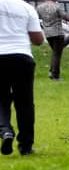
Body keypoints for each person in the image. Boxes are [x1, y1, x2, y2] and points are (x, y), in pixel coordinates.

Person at [0, 0, 44, 156]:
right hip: (22, 56)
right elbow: (38, 40)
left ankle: (5, 130)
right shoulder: (27, 8)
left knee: (1, 98)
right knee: (25, 102)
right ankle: (25, 145)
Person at [36, 0, 69, 80]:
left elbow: (36, 19)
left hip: (48, 34)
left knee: (55, 53)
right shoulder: (57, 6)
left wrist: (43, 27)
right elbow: (65, 16)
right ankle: (55, 75)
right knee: (57, 54)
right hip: (57, 32)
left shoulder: (39, 7)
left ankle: (51, 72)